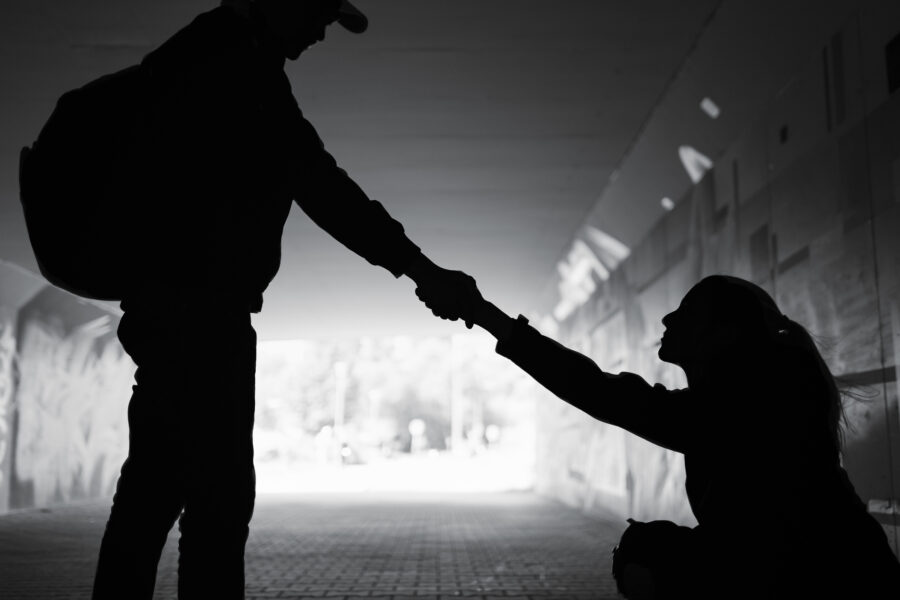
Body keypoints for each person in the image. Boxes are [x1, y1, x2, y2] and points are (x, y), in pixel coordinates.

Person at [92, 1, 473, 598]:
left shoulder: (207, 58)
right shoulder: (236, 69)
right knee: (214, 506)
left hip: (170, 309)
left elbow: (310, 177)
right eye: (319, 14)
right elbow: (320, 183)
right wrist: (420, 269)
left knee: (153, 491)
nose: (322, 32)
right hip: (201, 315)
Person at [423, 274, 900, 598]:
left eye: (686, 313)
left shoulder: (743, 403)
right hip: (830, 569)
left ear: (726, 334)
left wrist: (484, 314)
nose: (668, 320)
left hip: (823, 578)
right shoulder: (758, 391)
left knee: (646, 552)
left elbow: (597, 390)